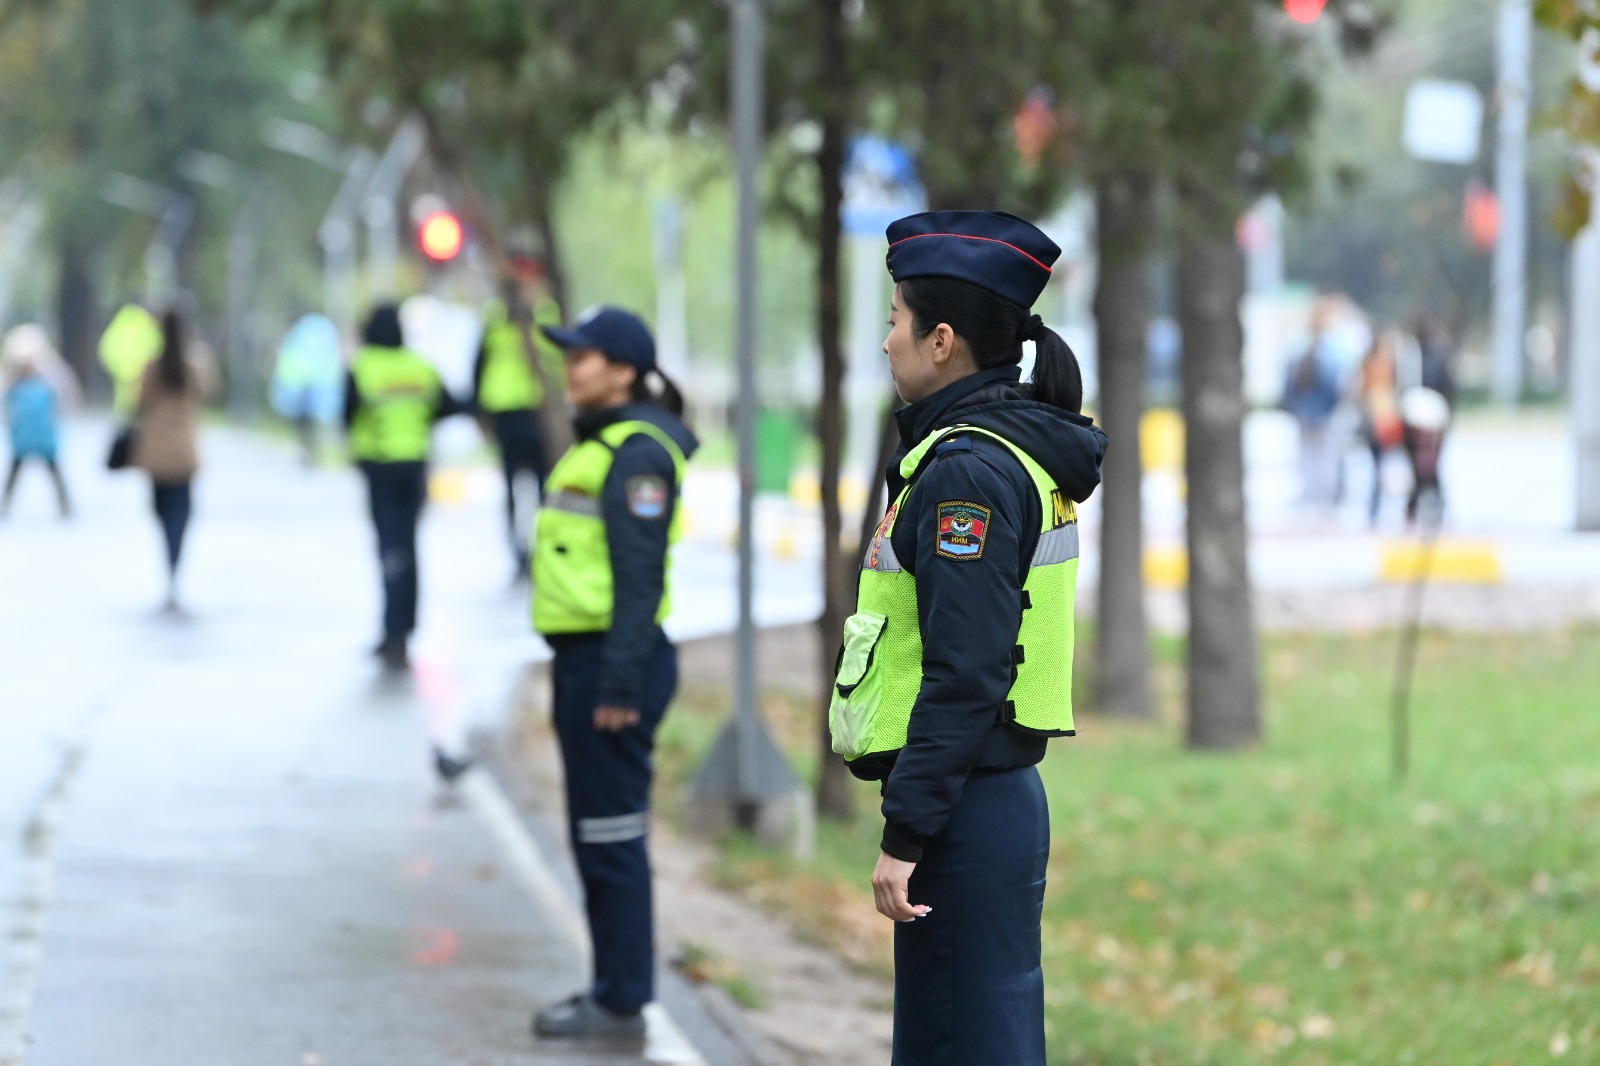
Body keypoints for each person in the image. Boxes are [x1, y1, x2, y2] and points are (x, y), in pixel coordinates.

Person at [827, 210, 1106, 1064]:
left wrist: (905, 833)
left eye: (893, 322)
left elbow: (967, 671)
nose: (885, 342)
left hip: (964, 810)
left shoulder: (967, 474)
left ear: (941, 340)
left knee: (963, 1045)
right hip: (983, 799)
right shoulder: (990, 452)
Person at [528, 306, 697, 1041]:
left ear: (625, 370)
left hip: (610, 663)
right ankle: (612, 987)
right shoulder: (606, 444)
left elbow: (639, 578)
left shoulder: (635, 453)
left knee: (611, 834)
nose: (572, 366)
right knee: (598, 833)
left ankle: (622, 998)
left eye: (585, 356)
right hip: (589, 659)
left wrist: (619, 685)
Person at [344, 304, 463, 670]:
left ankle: (392, 632)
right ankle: (404, 628)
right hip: (414, 468)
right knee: (408, 548)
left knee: (389, 551)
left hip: (379, 469)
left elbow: (345, 415)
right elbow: (452, 405)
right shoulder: (420, 367)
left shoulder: (363, 367)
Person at [471, 276, 563, 579]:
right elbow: (478, 369)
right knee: (511, 490)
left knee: (543, 488)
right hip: (506, 416)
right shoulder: (495, 322)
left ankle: (541, 550)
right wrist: (481, 417)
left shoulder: (547, 319)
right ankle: (518, 553)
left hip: (538, 415)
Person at [132, 310, 212, 611]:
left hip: (155, 446)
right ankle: (175, 562)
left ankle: (169, 561)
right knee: (182, 508)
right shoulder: (195, 363)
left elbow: (138, 403)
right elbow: (207, 393)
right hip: (183, 446)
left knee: (161, 507)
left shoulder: (152, 365)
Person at [1282, 306, 1343, 515]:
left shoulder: (1299, 347)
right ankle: (1322, 498)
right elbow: (1336, 384)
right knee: (1324, 456)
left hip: (1306, 410)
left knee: (1309, 455)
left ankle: (1313, 496)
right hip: (1321, 411)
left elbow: (1289, 382)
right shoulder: (1331, 350)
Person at [2, 350, 72, 519]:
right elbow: (60, 408)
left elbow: (8, 414)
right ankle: (65, 506)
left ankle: (5, 505)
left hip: (22, 442)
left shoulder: (15, 390)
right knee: (55, 474)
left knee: (13, 475)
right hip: (44, 441)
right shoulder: (46, 389)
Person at [270, 311, 345, 465]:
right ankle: (309, 450)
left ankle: (308, 450)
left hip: (304, 389)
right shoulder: (319, 336)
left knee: (306, 425)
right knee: (307, 424)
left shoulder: (298, 337)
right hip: (306, 389)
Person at [1355, 329, 1404, 528]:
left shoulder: (1371, 364)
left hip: (1378, 418)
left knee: (1380, 465)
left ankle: (1377, 506)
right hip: (1380, 418)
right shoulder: (1382, 365)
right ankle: (1377, 506)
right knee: (1381, 465)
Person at [99, 302, 164, 416]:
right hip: (142, 377)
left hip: (127, 379)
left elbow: (106, 349)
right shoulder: (147, 326)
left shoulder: (119, 325)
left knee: (127, 413)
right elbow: (157, 348)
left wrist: (122, 370)